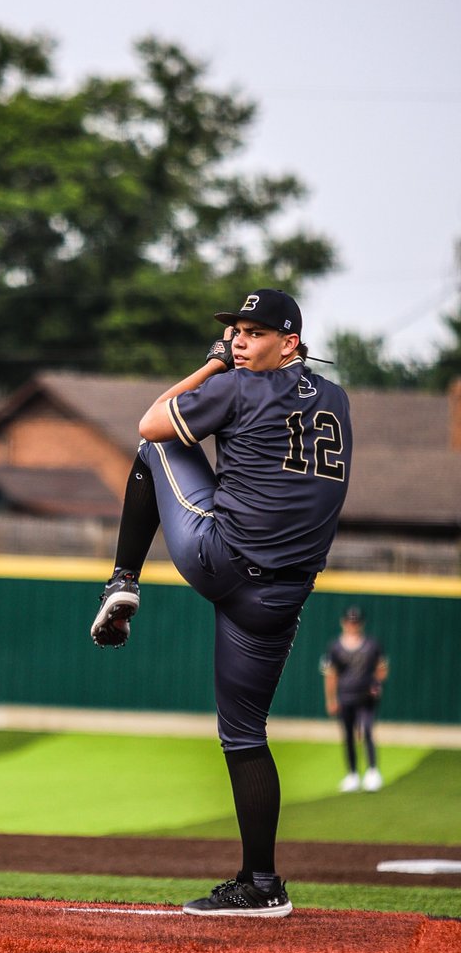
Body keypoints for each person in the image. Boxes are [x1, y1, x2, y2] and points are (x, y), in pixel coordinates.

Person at [90, 288, 352, 918]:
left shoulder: (235, 387)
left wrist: (211, 365)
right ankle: (261, 884)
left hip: (224, 558)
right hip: (283, 596)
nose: (239, 339)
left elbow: (153, 421)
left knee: (154, 449)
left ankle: (122, 580)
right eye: (234, 330)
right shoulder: (338, 400)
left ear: (288, 342)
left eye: (254, 332)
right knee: (244, 735)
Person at [321, 606, 388, 793]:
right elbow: (330, 674)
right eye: (350, 621)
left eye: (356, 622)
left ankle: (373, 772)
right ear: (344, 623)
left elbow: (382, 668)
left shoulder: (372, 645)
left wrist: (376, 683)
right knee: (348, 735)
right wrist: (331, 699)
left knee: (366, 730)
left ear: (361, 623)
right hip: (345, 697)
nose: (352, 625)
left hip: (366, 696)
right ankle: (352, 774)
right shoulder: (335, 647)